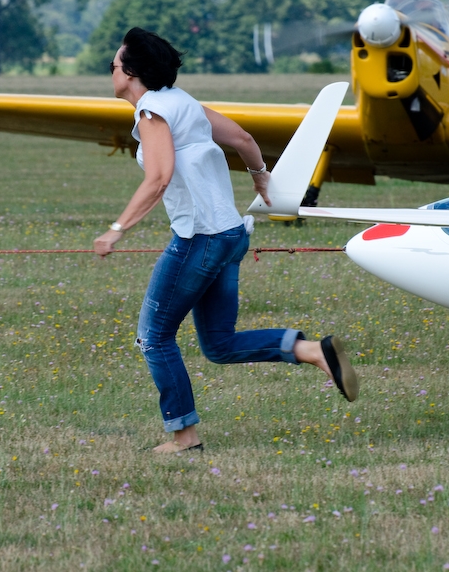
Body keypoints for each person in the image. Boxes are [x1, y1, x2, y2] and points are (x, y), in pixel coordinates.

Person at [93, 27, 359, 454]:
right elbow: (243, 140)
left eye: (112, 65)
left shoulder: (153, 113)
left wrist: (117, 229)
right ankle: (312, 351)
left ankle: (184, 437)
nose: (110, 72)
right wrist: (261, 177)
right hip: (231, 235)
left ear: (130, 72)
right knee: (218, 344)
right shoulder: (184, 103)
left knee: (154, 338)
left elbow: (158, 178)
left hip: (199, 241)